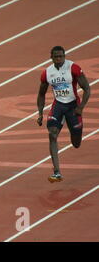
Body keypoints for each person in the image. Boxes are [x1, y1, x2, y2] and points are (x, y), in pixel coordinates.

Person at [37, 46, 90, 183]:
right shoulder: (47, 73)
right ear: (52, 57)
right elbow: (41, 94)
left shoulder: (73, 68)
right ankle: (56, 172)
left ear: (64, 56)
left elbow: (87, 88)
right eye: (56, 57)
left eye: (61, 56)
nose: (59, 59)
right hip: (58, 105)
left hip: (73, 106)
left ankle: (75, 133)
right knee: (52, 133)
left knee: (76, 143)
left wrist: (81, 107)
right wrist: (40, 113)